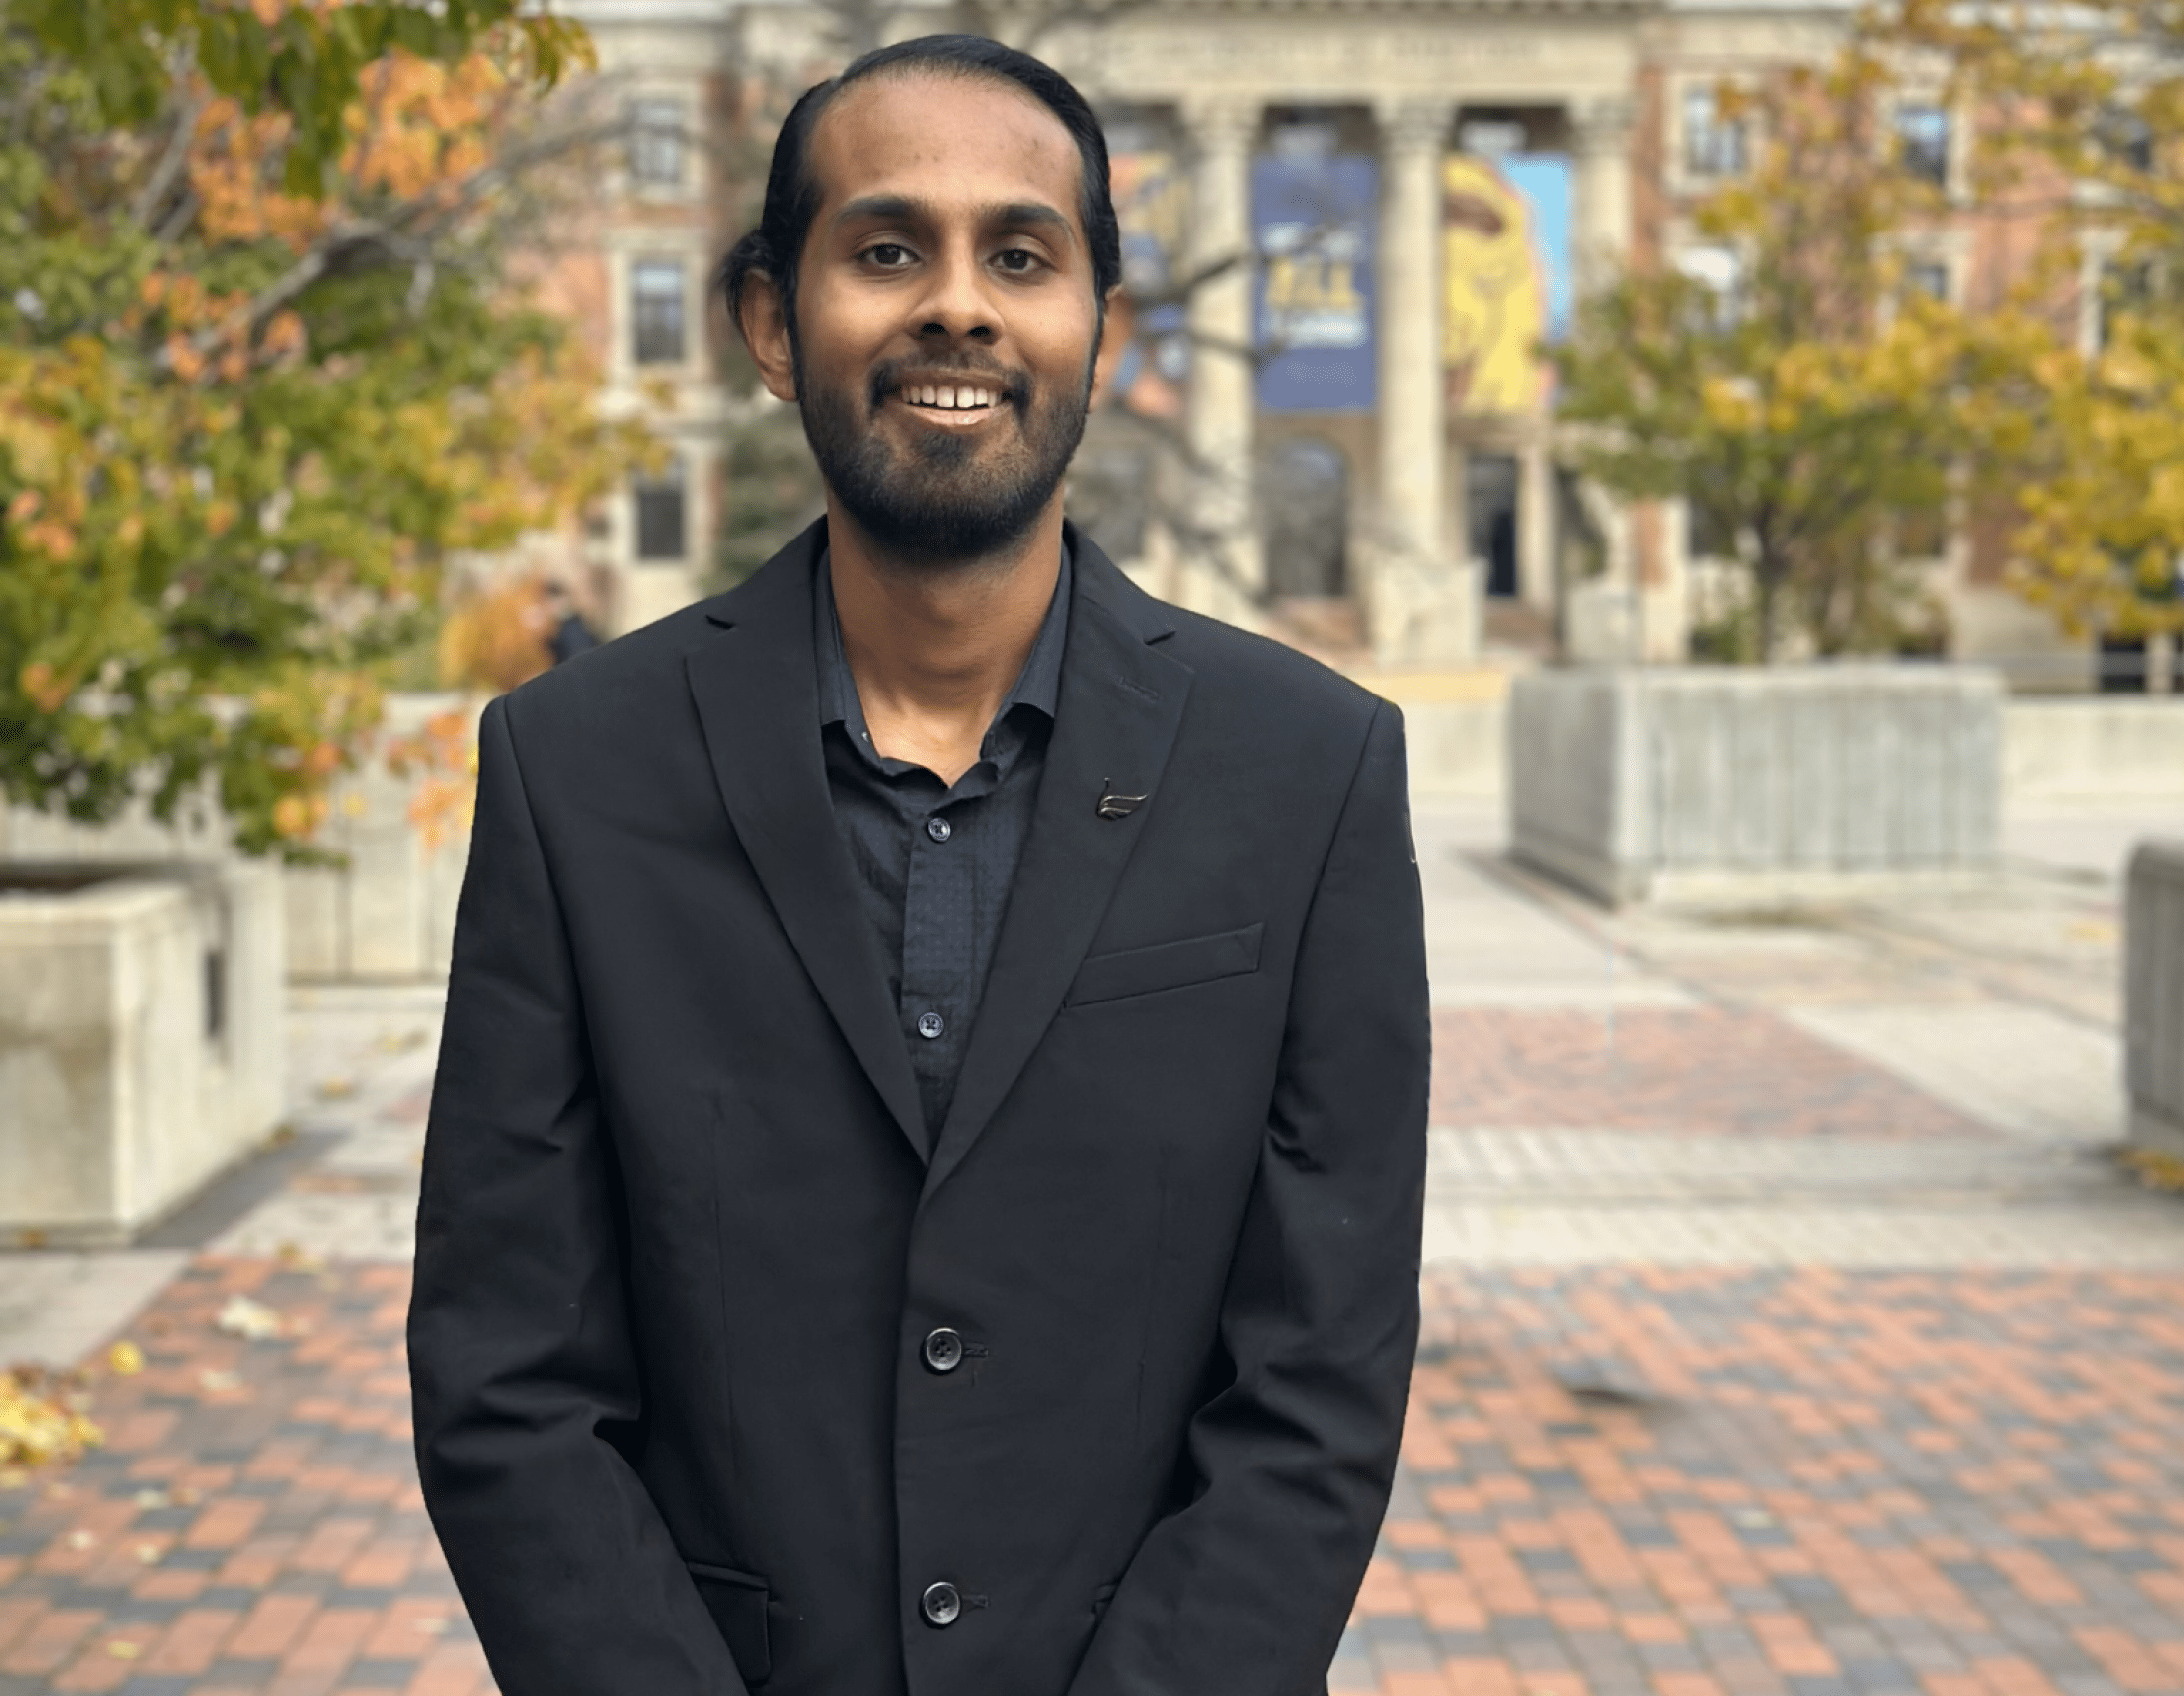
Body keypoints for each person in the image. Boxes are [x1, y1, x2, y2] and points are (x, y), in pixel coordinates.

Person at [406, 33, 1430, 1696]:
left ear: (1098, 328)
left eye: (1020, 256)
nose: (956, 304)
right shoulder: (570, 772)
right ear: (768, 321)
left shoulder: (1311, 771)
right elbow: (506, 1373)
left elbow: (1320, 1375)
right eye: (888, 248)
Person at [543, 576, 599, 665]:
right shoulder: (567, 625)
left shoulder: (573, 629)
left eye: (551, 602)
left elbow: (579, 659)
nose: (548, 607)